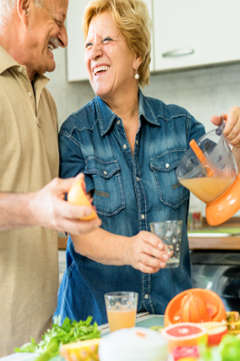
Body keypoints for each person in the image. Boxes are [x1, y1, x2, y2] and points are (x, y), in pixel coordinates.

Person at [55, 0, 240, 326]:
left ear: (137, 55)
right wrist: (129, 250)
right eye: (88, 44)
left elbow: (219, 191)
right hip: (96, 327)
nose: (94, 52)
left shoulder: (179, 125)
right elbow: (80, 234)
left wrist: (235, 145)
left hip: (168, 321)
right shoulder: (75, 135)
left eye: (107, 41)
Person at [0, 0, 101, 356]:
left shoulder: (46, 99)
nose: (65, 37)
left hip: (41, 339)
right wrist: (35, 208)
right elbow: (35, 206)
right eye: (58, 22)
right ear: (24, 7)